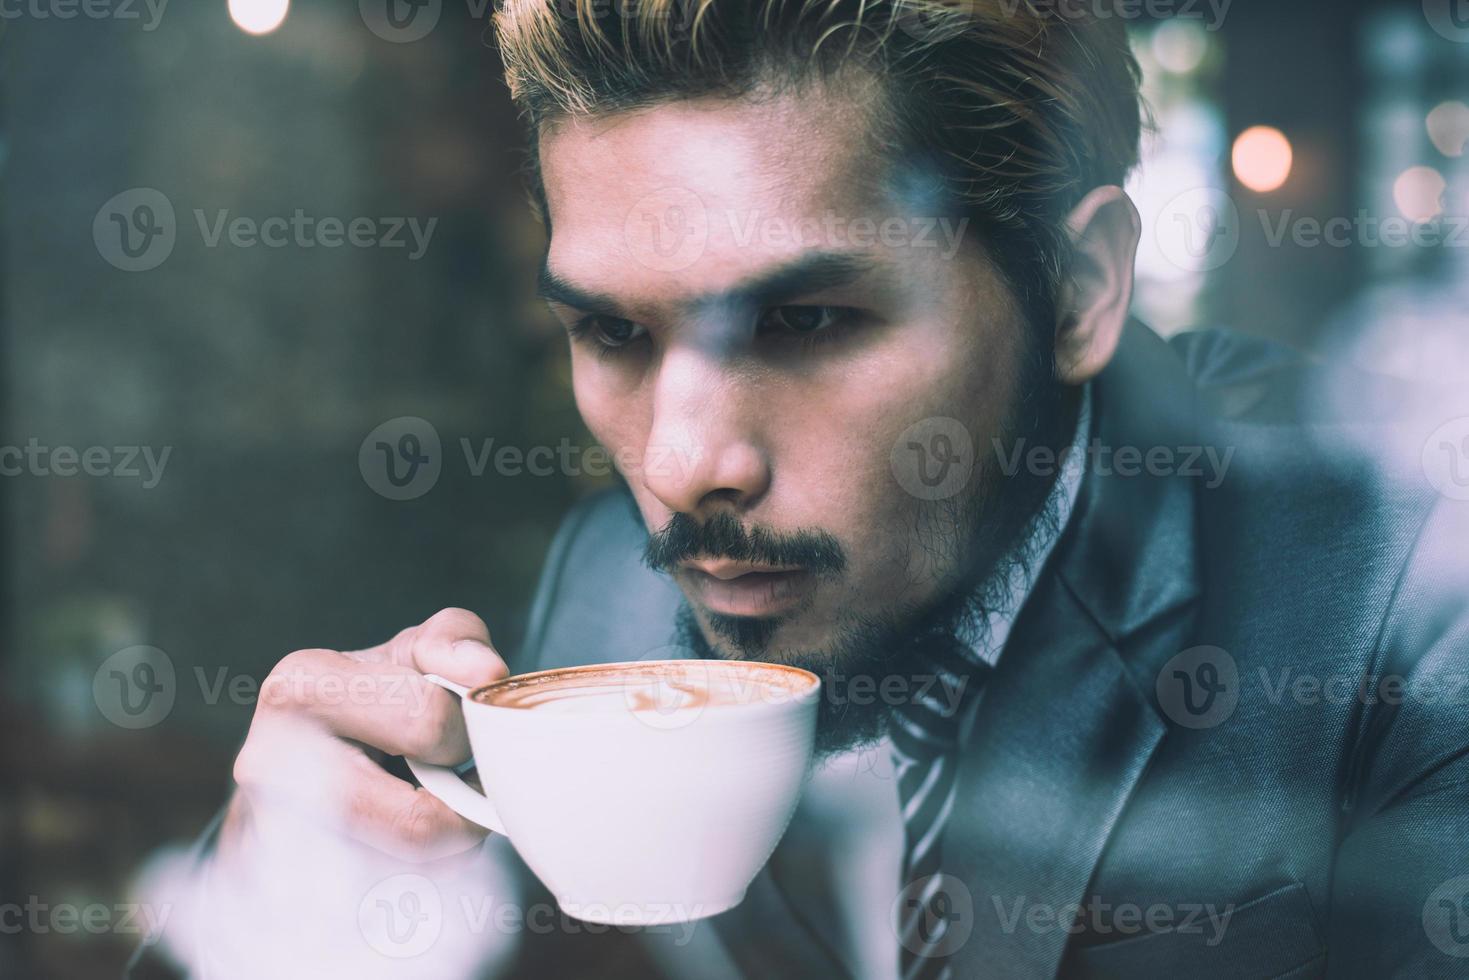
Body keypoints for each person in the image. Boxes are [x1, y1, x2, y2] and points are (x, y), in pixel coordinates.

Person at [130, 1, 1469, 977]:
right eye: (612, 334)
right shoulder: (604, 592)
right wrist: (286, 915)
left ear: (1078, 290)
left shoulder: (1409, 605)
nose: (679, 465)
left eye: (810, 323)